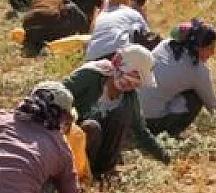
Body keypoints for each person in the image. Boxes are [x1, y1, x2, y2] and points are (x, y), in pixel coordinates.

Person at [65, 45, 171, 179]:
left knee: (122, 115)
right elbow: (59, 94)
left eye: (136, 82)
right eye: (131, 76)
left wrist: (165, 157)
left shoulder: (129, 97)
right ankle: (79, 174)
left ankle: (103, 171)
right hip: (73, 143)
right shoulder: (90, 75)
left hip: (99, 147)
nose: (131, 85)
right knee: (92, 127)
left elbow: (141, 131)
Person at [135, 19, 216, 137]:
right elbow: (213, 105)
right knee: (196, 98)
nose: (213, 53)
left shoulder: (166, 44)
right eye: (210, 48)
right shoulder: (197, 71)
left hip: (131, 114)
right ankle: (167, 134)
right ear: (198, 48)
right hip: (149, 122)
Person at [83, 0, 155, 61]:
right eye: (141, 1)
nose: (142, 6)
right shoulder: (132, 14)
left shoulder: (102, 14)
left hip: (91, 60)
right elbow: (150, 39)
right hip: (116, 57)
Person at [19, 0, 88, 56]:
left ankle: (38, 45)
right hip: (54, 29)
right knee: (71, 8)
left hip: (31, 30)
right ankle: (86, 36)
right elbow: (75, 10)